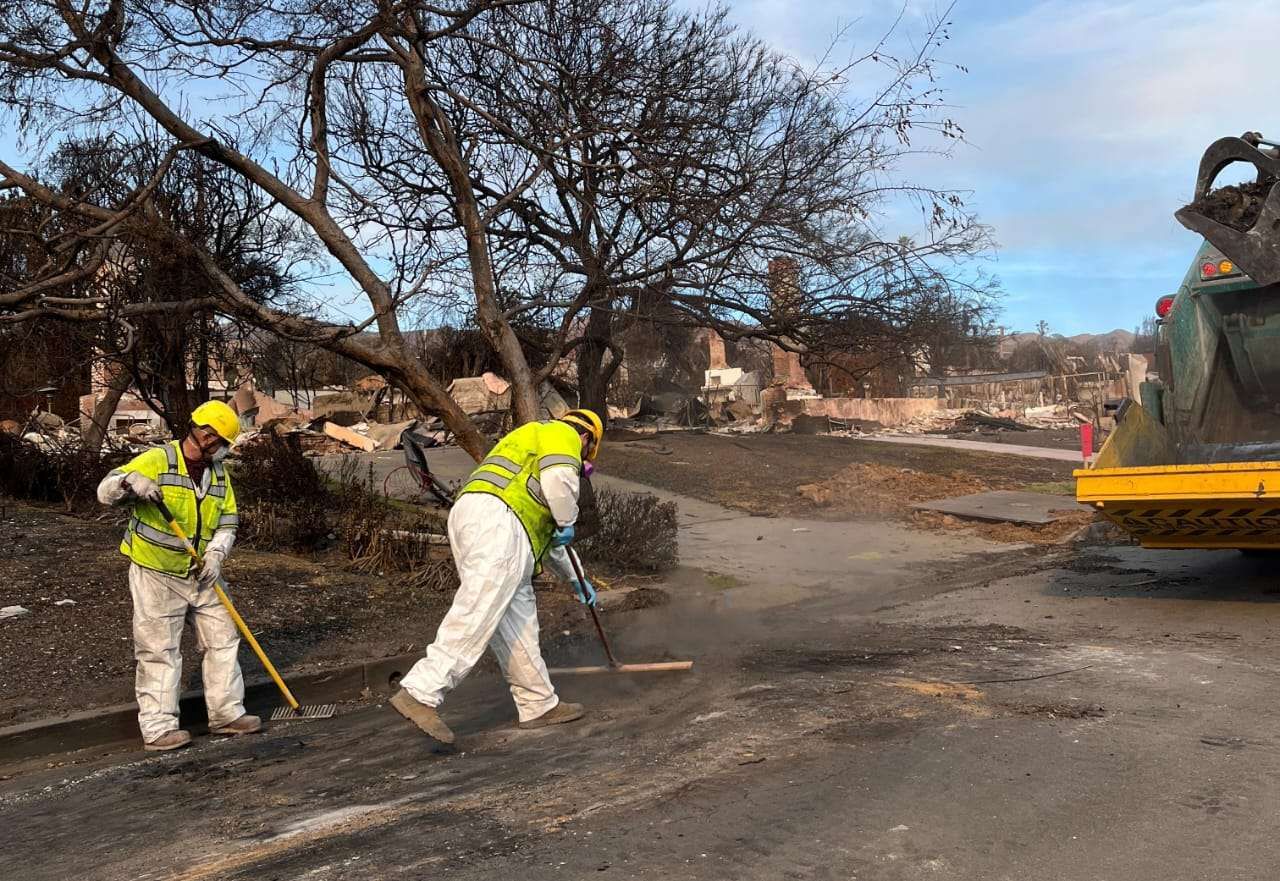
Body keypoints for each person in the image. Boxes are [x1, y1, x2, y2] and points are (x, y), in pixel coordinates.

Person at [390, 408, 605, 744]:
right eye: (585, 460)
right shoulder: (562, 433)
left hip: (489, 519)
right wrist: (568, 520)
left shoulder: (531, 447)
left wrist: (575, 578)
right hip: (499, 523)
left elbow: (553, 541)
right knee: (480, 606)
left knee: (517, 621)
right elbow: (560, 480)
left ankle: (538, 703)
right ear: (587, 438)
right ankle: (421, 691)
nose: (581, 466)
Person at [96, 400, 260, 751]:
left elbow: (228, 520)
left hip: (202, 574)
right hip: (156, 572)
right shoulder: (157, 461)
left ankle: (227, 714)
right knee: (159, 649)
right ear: (207, 435)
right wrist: (129, 481)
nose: (226, 450)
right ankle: (159, 728)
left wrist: (217, 554)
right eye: (224, 443)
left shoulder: (219, 475)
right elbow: (104, 492)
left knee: (223, 638)